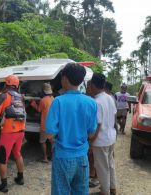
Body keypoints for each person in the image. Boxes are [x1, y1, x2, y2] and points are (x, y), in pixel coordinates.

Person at [45, 63, 98, 195]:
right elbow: (92, 134)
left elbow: (50, 135)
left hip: (62, 157)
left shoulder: (58, 102)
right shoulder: (91, 103)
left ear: (65, 78)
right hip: (82, 158)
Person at [89, 73, 117, 195]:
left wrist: (91, 142)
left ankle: (105, 192)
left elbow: (98, 125)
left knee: (102, 168)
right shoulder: (109, 97)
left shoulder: (96, 102)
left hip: (100, 140)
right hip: (111, 137)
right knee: (110, 164)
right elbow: (114, 115)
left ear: (94, 85)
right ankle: (112, 188)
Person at [30, 83, 54, 163]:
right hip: (52, 124)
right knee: (51, 141)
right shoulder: (53, 98)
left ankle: (45, 158)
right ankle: (52, 156)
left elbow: (39, 110)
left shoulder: (43, 100)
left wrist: (33, 104)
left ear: (43, 91)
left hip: (44, 125)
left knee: (42, 141)